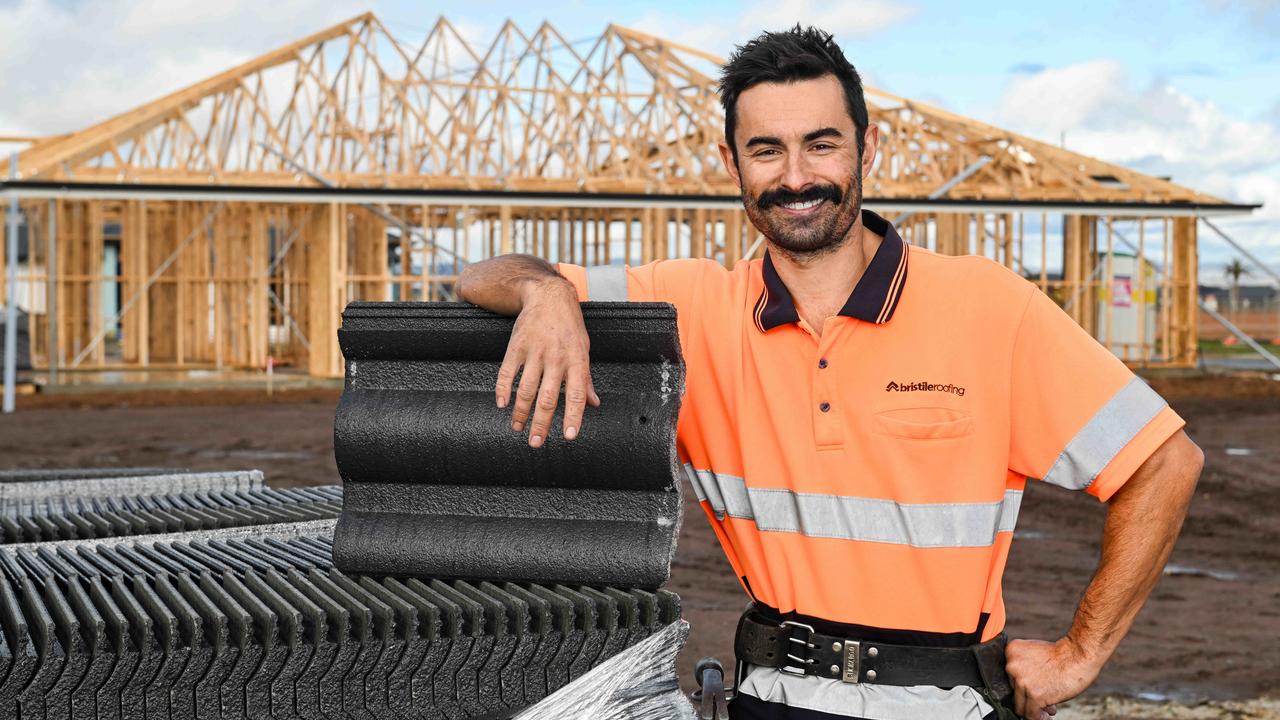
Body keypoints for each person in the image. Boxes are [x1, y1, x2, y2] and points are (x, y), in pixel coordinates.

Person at [457, 25, 1203, 720]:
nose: (796, 176)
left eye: (821, 145)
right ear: (732, 164)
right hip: (770, 699)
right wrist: (545, 291)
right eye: (767, 150)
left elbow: (1163, 461)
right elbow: (479, 275)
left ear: (866, 149)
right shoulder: (688, 307)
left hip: (942, 704)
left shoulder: (986, 305)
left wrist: (1081, 654)